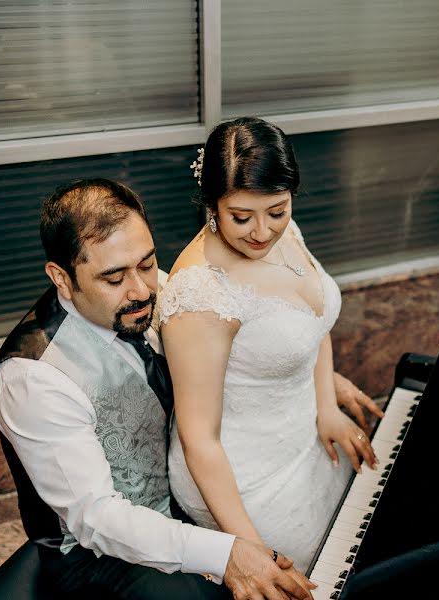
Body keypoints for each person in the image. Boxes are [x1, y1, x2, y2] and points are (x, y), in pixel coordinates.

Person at [0, 178, 328, 600]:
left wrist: (312, 379)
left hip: (182, 498)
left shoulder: (152, 290)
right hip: (100, 554)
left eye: (146, 263)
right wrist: (224, 554)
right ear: (62, 278)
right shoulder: (31, 377)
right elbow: (96, 518)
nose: (143, 289)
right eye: (113, 278)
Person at [160, 117, 378, 573]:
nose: (261, 232)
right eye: (241, 217)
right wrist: (250, 550)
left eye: (277, 210)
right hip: (246, 482)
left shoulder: (285, 234)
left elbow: (311, 320)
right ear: (212, 206)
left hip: (305, 436)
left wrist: (326, 407)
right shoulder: (201, 294)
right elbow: (199, 438)